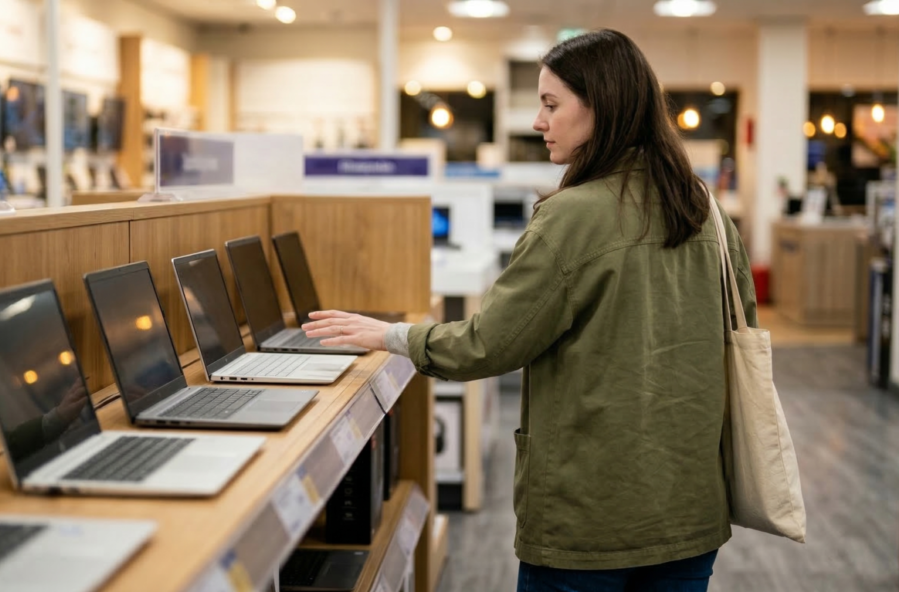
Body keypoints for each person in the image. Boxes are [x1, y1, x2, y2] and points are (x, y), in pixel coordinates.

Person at [304, 29, 758, 592]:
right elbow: (741, 329)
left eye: (551, 105)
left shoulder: (572, 216)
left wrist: (391, 335)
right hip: (690, 509)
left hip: (589, 518)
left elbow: (488, 344)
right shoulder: (704, 210)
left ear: (604, 106)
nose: (538, 123)